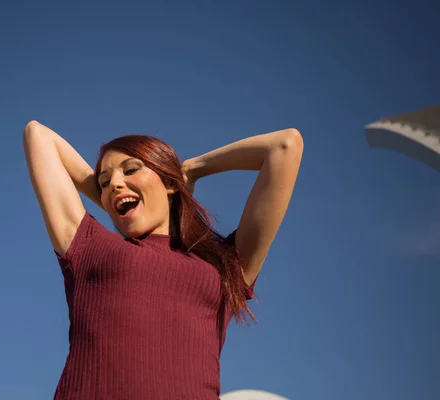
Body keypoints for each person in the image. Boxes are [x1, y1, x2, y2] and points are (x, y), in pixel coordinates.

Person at [23, 120, 303, 400]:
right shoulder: (90, 247)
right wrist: (116, 203)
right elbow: (37, 135)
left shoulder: (226, 264)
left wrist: (193, 169)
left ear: (169, 182)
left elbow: (285, 146)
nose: (115, 184)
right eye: (104, 183)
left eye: (131, 169)